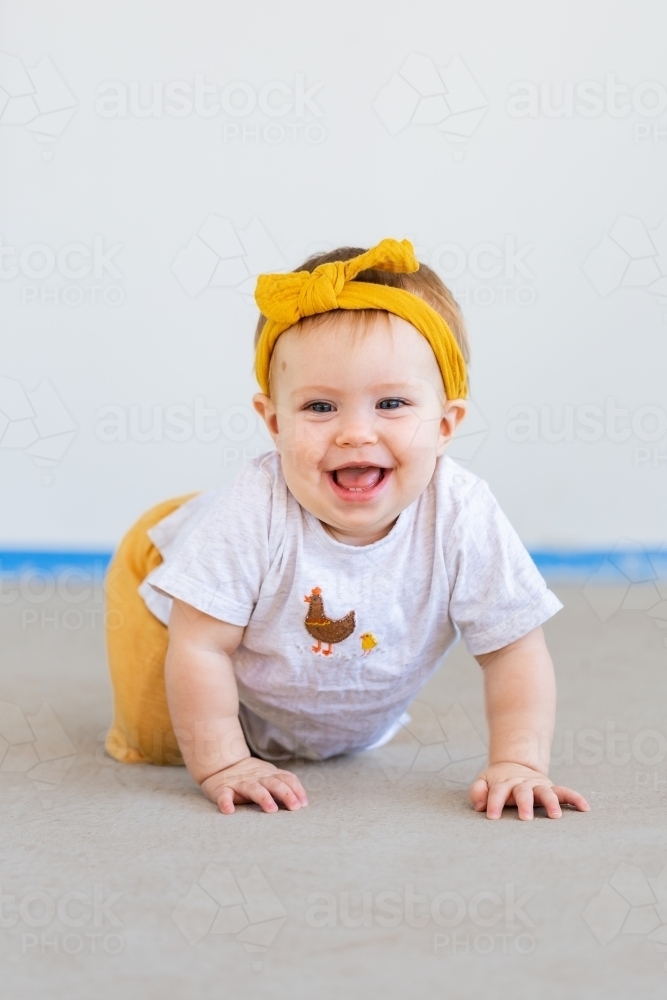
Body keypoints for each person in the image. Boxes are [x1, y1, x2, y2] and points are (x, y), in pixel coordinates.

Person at [105, 238, 590, 822]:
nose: (356, 434)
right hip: (170, 582)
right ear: (275, 421)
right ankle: (181, 547)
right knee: (160, 745)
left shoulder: (461, 512)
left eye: (390, 403)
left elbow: (513, 648)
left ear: (445, 424)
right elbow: (201, 644)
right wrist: (224, 762)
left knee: (329, 740)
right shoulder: (255, 509)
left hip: (293, 672)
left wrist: (520, 763)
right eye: (320, 408)